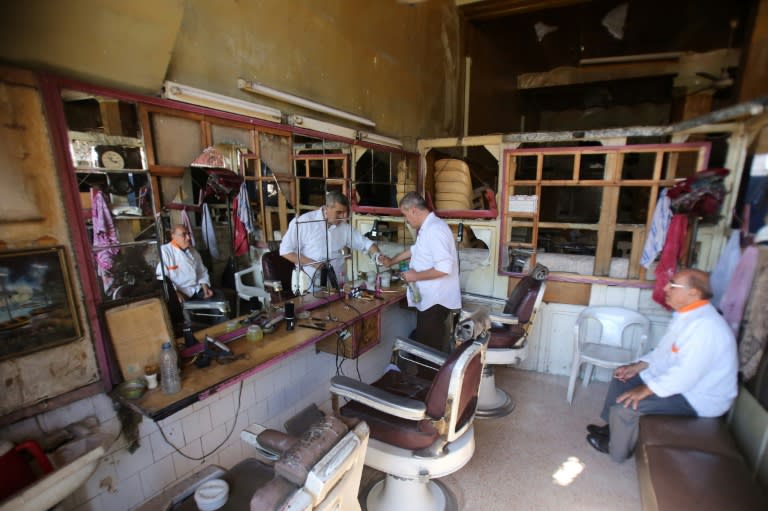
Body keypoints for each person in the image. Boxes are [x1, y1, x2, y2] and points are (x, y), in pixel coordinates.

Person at [585, 268, 738, 462]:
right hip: (682, 384)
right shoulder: (686, 315)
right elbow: (664, 352)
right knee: (622, 379)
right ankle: (611, 429)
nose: (666, 288)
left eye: (673, 285)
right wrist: (637, 367)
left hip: (698, 398)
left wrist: (646, 390)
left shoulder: (706, 328)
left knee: (627, 406)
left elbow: (685, 376)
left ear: (693, 292)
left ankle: (616, 448)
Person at [379, 192, 461, 352]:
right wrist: (391, 261)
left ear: (414, 210)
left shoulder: (435, 230)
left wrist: (414, 276)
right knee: (426, 343)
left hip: (436, 301)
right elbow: (415, 250)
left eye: (405, 215)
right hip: (431, 299)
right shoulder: (428, 228)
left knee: (428, 349)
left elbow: (444, 268)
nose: (406, 220)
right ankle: (428, 375)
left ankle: (428, 377)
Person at [279, 191, 382, 290]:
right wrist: (316, 264)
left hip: (338, 284)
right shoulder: (304, 222)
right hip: (310, 286)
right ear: (327, 208)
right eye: (339, 212)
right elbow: (285, 251)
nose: (343, 217)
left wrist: (378, 256)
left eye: (345, 212)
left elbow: (365, 243)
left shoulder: (344, 227)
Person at [157, 224, 223, 307]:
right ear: (173, 236)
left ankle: (224, 320)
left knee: (219, 297)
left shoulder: (193, 251)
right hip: (180, 292)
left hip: (196, 289)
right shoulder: (165, 251)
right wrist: (175, 293)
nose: (188, 237)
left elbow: (201, 271)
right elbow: (162, 278)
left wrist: (204, 285)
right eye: (184, 235)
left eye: (188, 234)